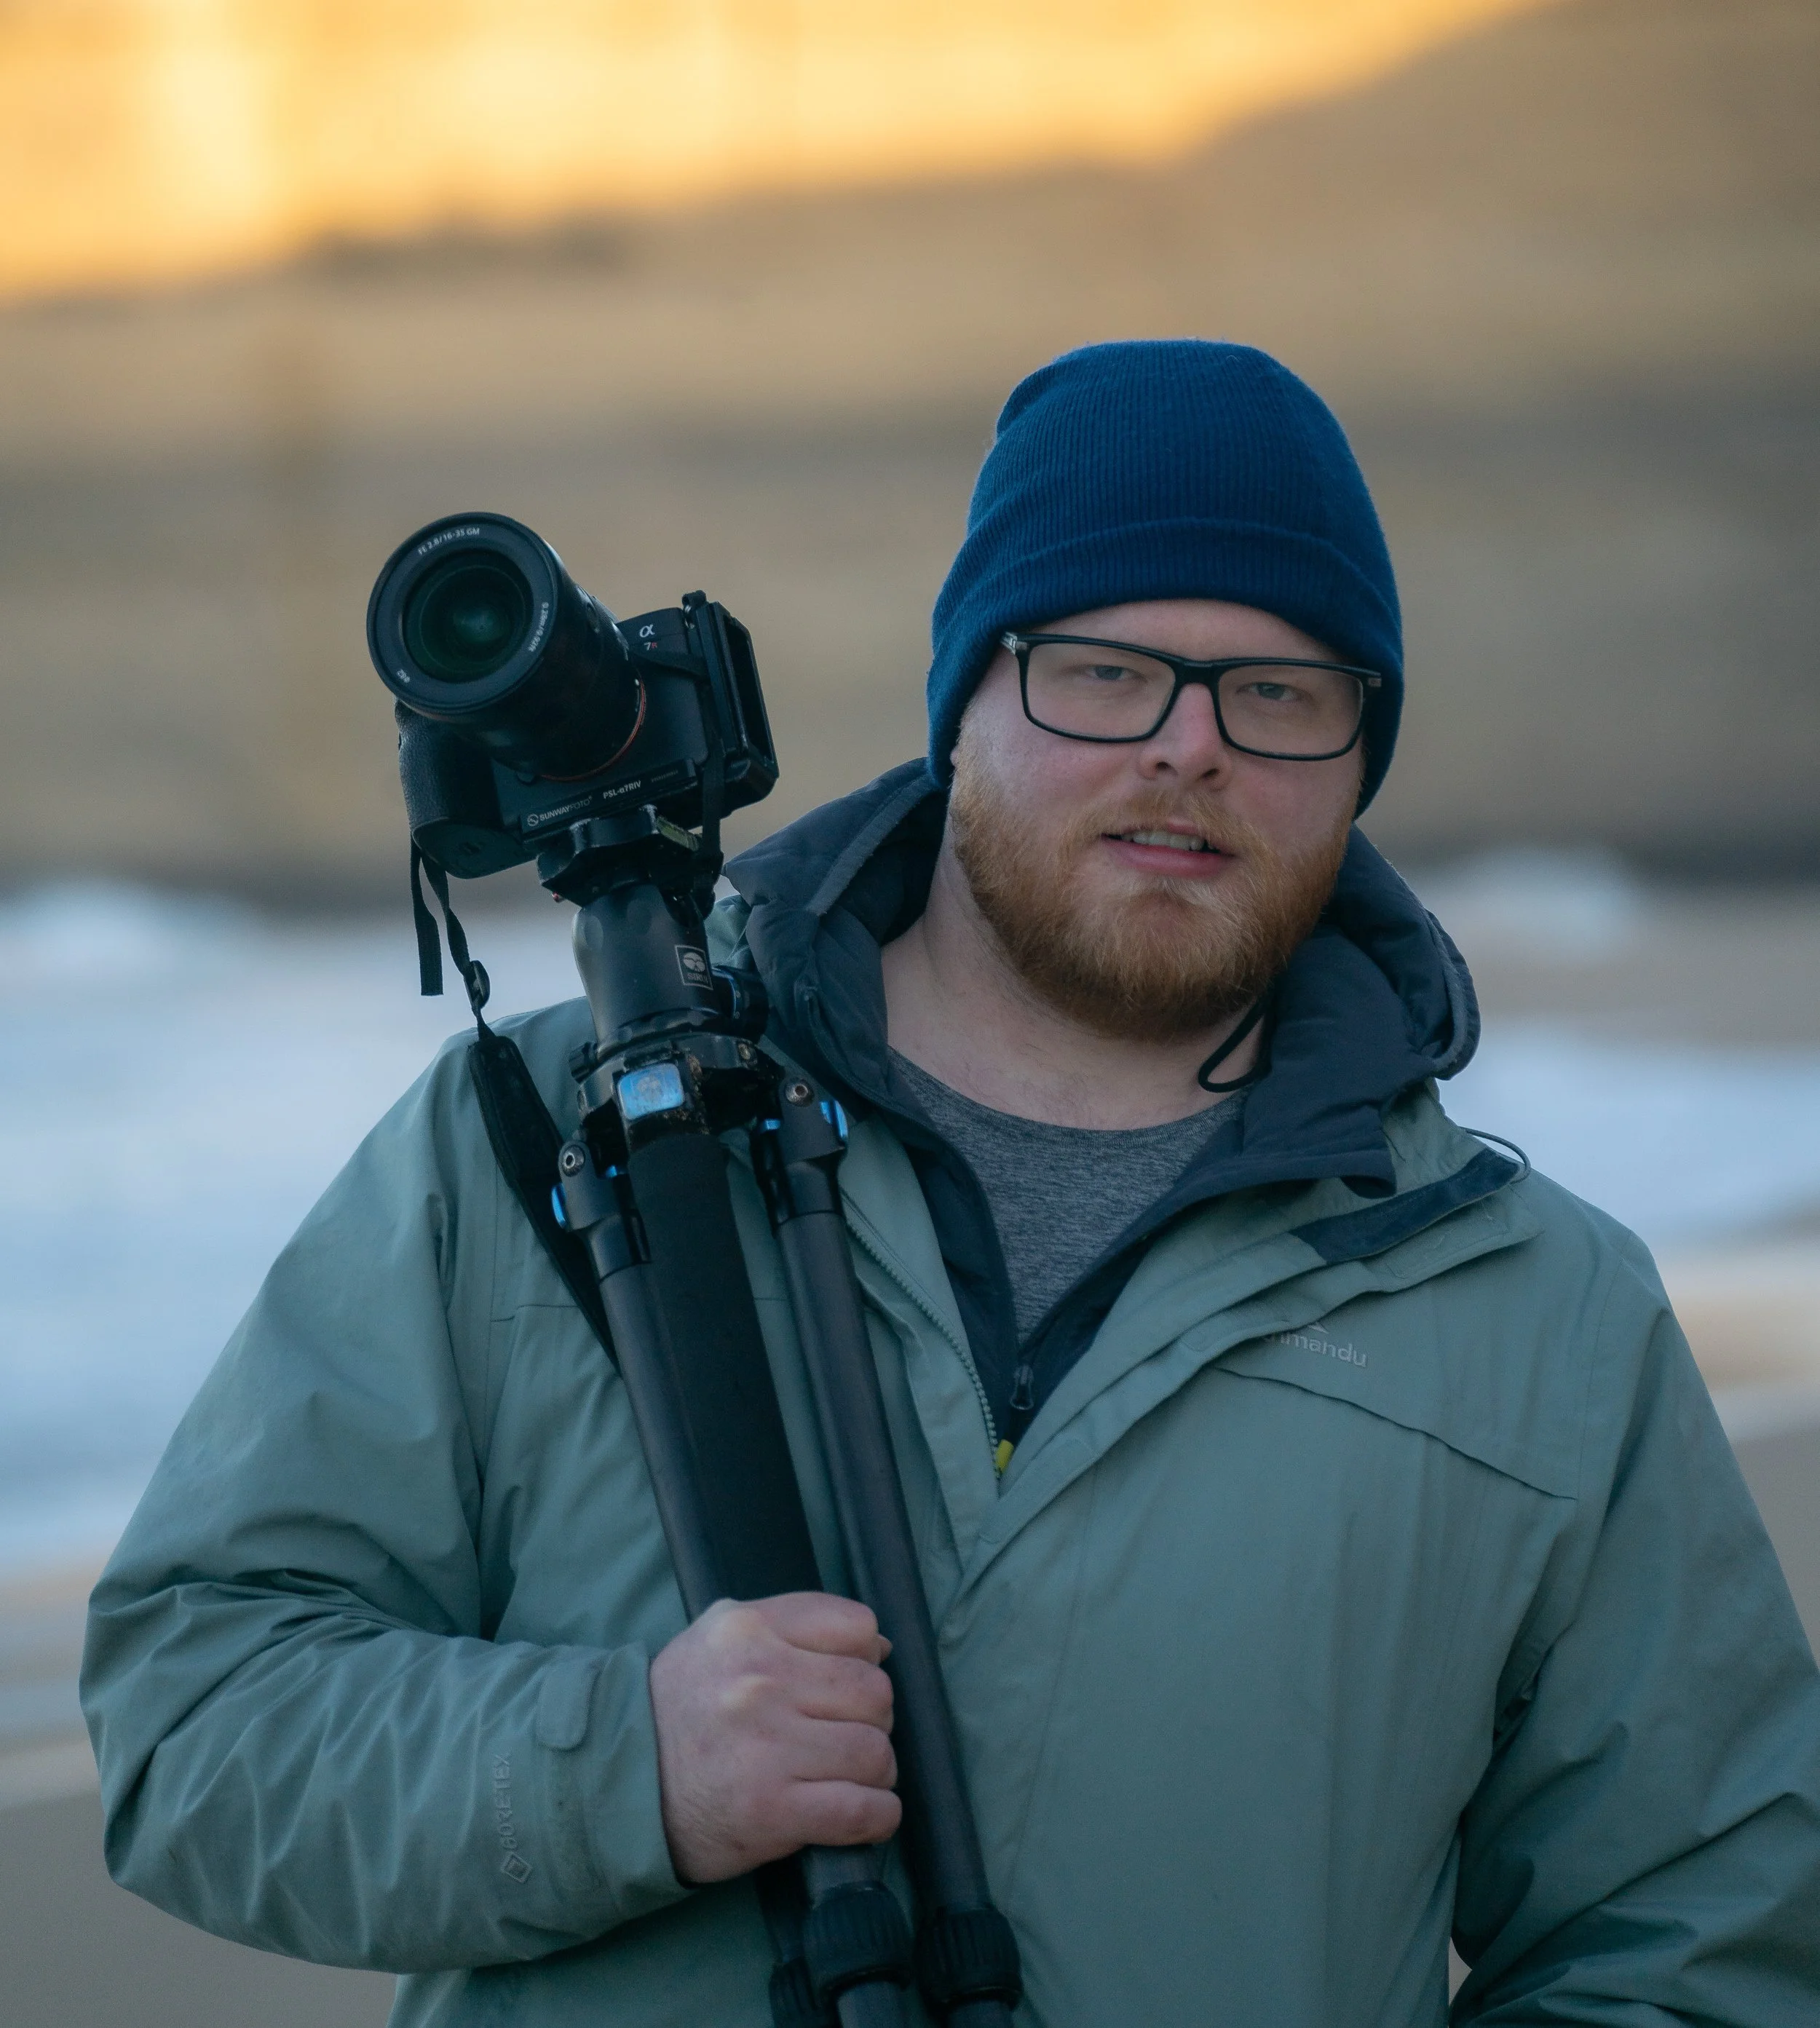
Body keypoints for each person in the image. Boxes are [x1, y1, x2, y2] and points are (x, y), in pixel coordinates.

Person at [82, 341, 1820, 2025]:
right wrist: (631, 1769)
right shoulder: (539, 1149)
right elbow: (192, 1718)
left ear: (1358, 760)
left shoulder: (1537, 1317)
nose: (1187, 747)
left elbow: (1700, 1941)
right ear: (964, 702)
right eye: (1099, 670)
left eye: (1278, 693)